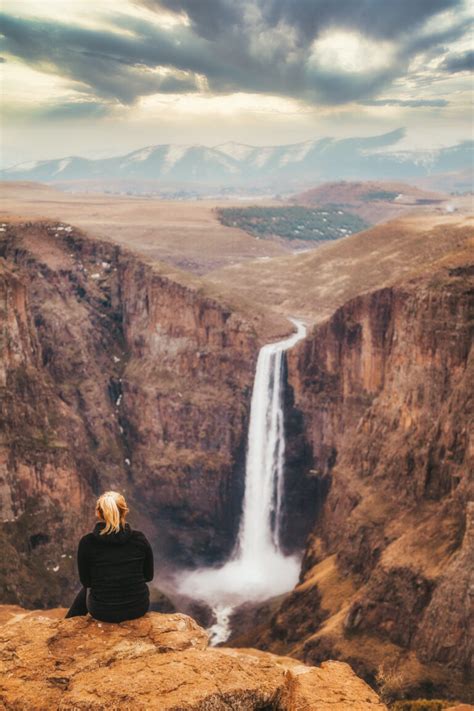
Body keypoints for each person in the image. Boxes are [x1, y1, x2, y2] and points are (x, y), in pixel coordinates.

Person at [65, 490, 154, 622]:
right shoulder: (139, 539)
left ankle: (68, 625)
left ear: (98, 513)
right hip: (137, 607)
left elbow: (86, 582)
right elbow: (148, 576)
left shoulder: (87, 542)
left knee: (84, 591)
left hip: (102, 611)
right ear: (124, 512)